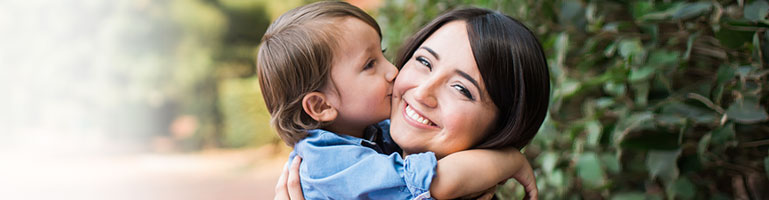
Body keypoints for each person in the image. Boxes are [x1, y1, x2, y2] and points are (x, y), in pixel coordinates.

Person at [258, 1, 539, 199]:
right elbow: (434, 181)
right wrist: (509, 161)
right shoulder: (329, 158)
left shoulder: (366, 137)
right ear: (321, 106)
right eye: (424, 62)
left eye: (461, 88)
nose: (394, 73)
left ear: (505, 124)